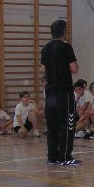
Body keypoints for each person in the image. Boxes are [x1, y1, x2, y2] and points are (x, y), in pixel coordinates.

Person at [40, 19, 79, 162]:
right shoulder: (66, 47)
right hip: (64, 91)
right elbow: (74, 68)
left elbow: (43, 70)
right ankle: (65, 156)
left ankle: (52, 156)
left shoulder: (45, 48)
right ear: (63, 31)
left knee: (52, 125)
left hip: (50, 92)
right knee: (67, 124)